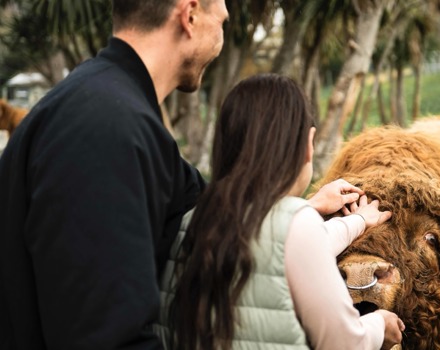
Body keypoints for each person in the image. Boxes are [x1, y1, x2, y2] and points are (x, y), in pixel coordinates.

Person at [0, 0, 229, 348]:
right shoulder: (107, 128)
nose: (221, 37)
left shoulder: (110, 103)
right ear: (190, 15)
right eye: (222, 21)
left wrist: (297, 216)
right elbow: (106, 336)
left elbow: (208, 202)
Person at [170, 74, 405, 350]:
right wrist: (378, 325)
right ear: (308, 143)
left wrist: (357, 220)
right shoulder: (298, 226)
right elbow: (344, 343)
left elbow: (276, 246)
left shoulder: (190, 219)